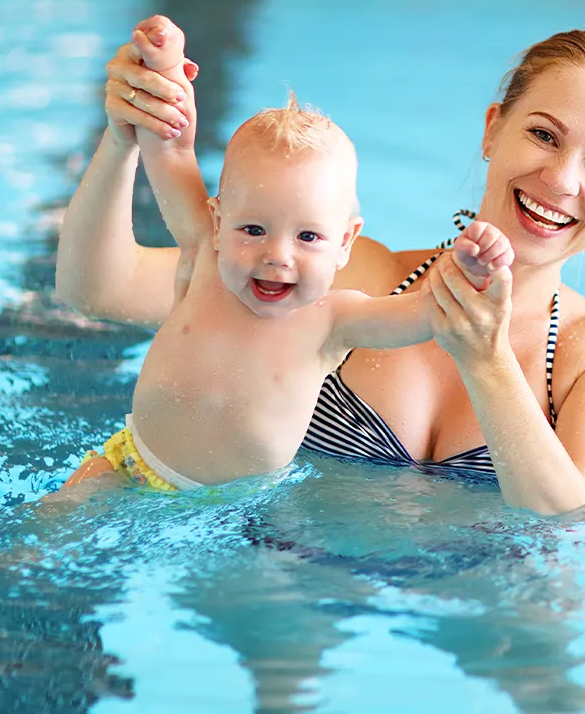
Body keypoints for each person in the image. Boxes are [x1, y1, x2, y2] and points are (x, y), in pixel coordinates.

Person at [71, 16, 585, 514]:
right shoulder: (335, 273)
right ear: (494, 131)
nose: (561, 179)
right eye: (544, 135)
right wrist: (125, 136)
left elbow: (575, 535)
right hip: (273, 597)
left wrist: (485, 361)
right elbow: (101, 290)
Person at [49, 26, 512, 495]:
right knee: (44, 537)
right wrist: (163, 65)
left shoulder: (333, 320)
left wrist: (471, 274)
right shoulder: (206, 259)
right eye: (252, 230)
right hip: (130, 465)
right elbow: (170, 147)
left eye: (308, 236)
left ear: (345, 241)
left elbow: (425, 314)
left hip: (235, 511)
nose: (277, 257)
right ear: (217, 220)